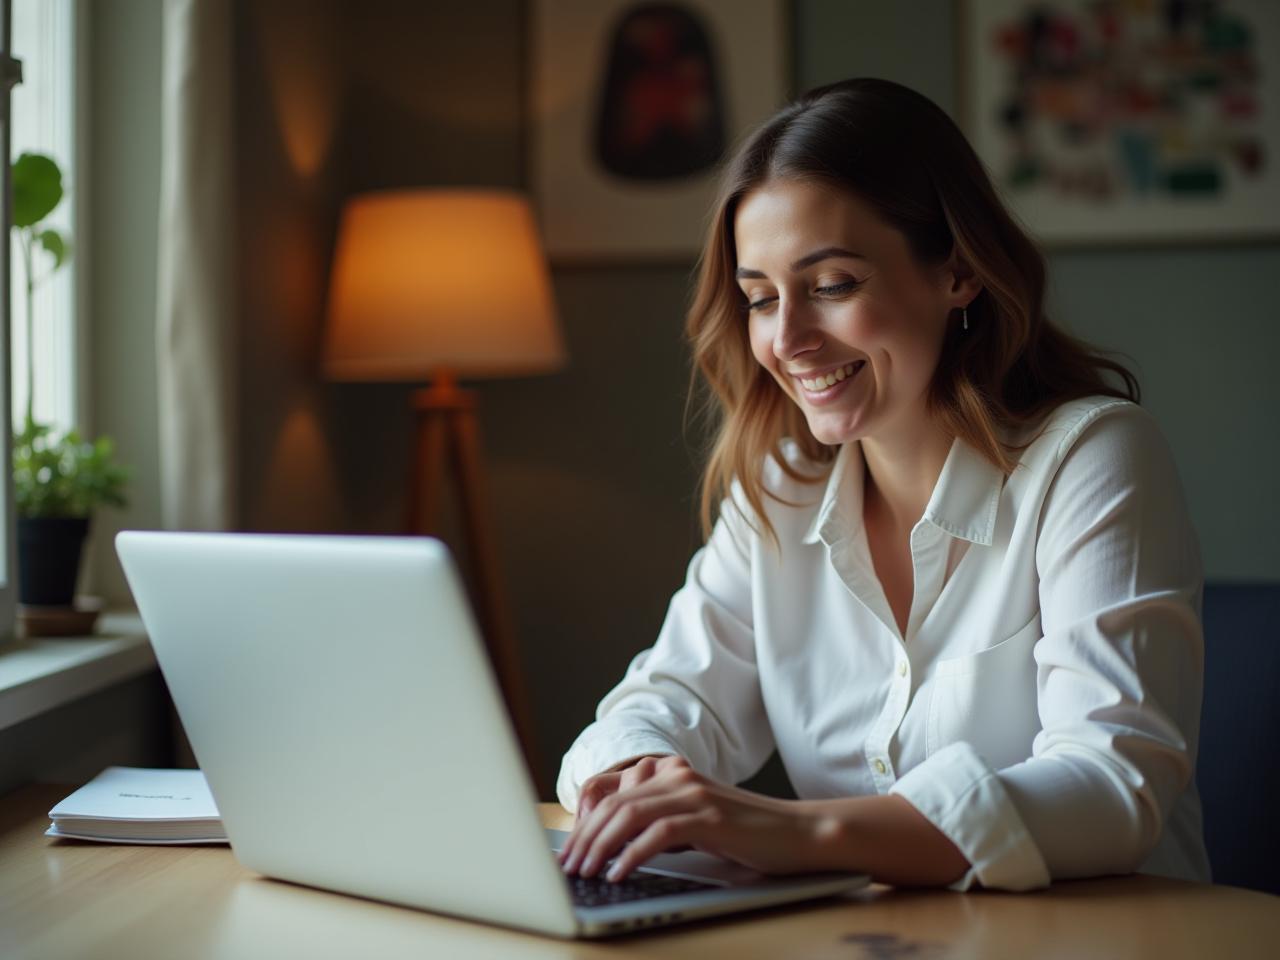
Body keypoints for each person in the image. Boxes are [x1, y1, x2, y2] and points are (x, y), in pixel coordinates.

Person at [555, 77, 1211, 892]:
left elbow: (1113, 786)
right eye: (759, 299)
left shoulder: (1093, 458)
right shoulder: (782, 490)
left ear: (959, 272)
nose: (787, 339)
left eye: (832, 286)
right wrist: (642, 783)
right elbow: (656, 702)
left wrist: (783, 830)